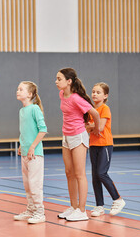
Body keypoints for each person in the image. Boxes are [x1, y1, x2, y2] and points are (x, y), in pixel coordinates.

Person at [55, 67, 100, 221]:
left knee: (80, 174)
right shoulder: (62, 94)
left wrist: (97, 128)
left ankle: (82, 211)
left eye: (59, 79)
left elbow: (94, 113)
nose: (56, 81)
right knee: (69, 172)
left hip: (78, 137)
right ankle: (73, 207)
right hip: (66, 137)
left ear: (69, 81)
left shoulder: (76, 98)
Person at [86, 82, 126, 217]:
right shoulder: (90, 110)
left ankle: (118, 199)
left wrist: (92, 126)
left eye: (98, 92)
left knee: (102, 173)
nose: (94, 94)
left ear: (105, 95)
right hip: (93, 145)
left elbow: (100, 128)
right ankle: (99, 206)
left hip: (105, 145)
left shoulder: (104, 108)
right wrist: (92, 126)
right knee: (95, 176)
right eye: (93, 92)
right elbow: (87, 128)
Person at [14, 81, 48, 224]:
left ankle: (40, 213)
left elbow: (43, 130)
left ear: (29, 94)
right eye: (18, 89)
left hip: (35, 154)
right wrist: (22, 145)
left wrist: (33, 147)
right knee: (27, 185)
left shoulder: (34, 109)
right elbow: (25, 131)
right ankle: (31, 210)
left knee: (35, 185)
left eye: (21, 89)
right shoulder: (22, 111)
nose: (17, 91)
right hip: (25, 154)